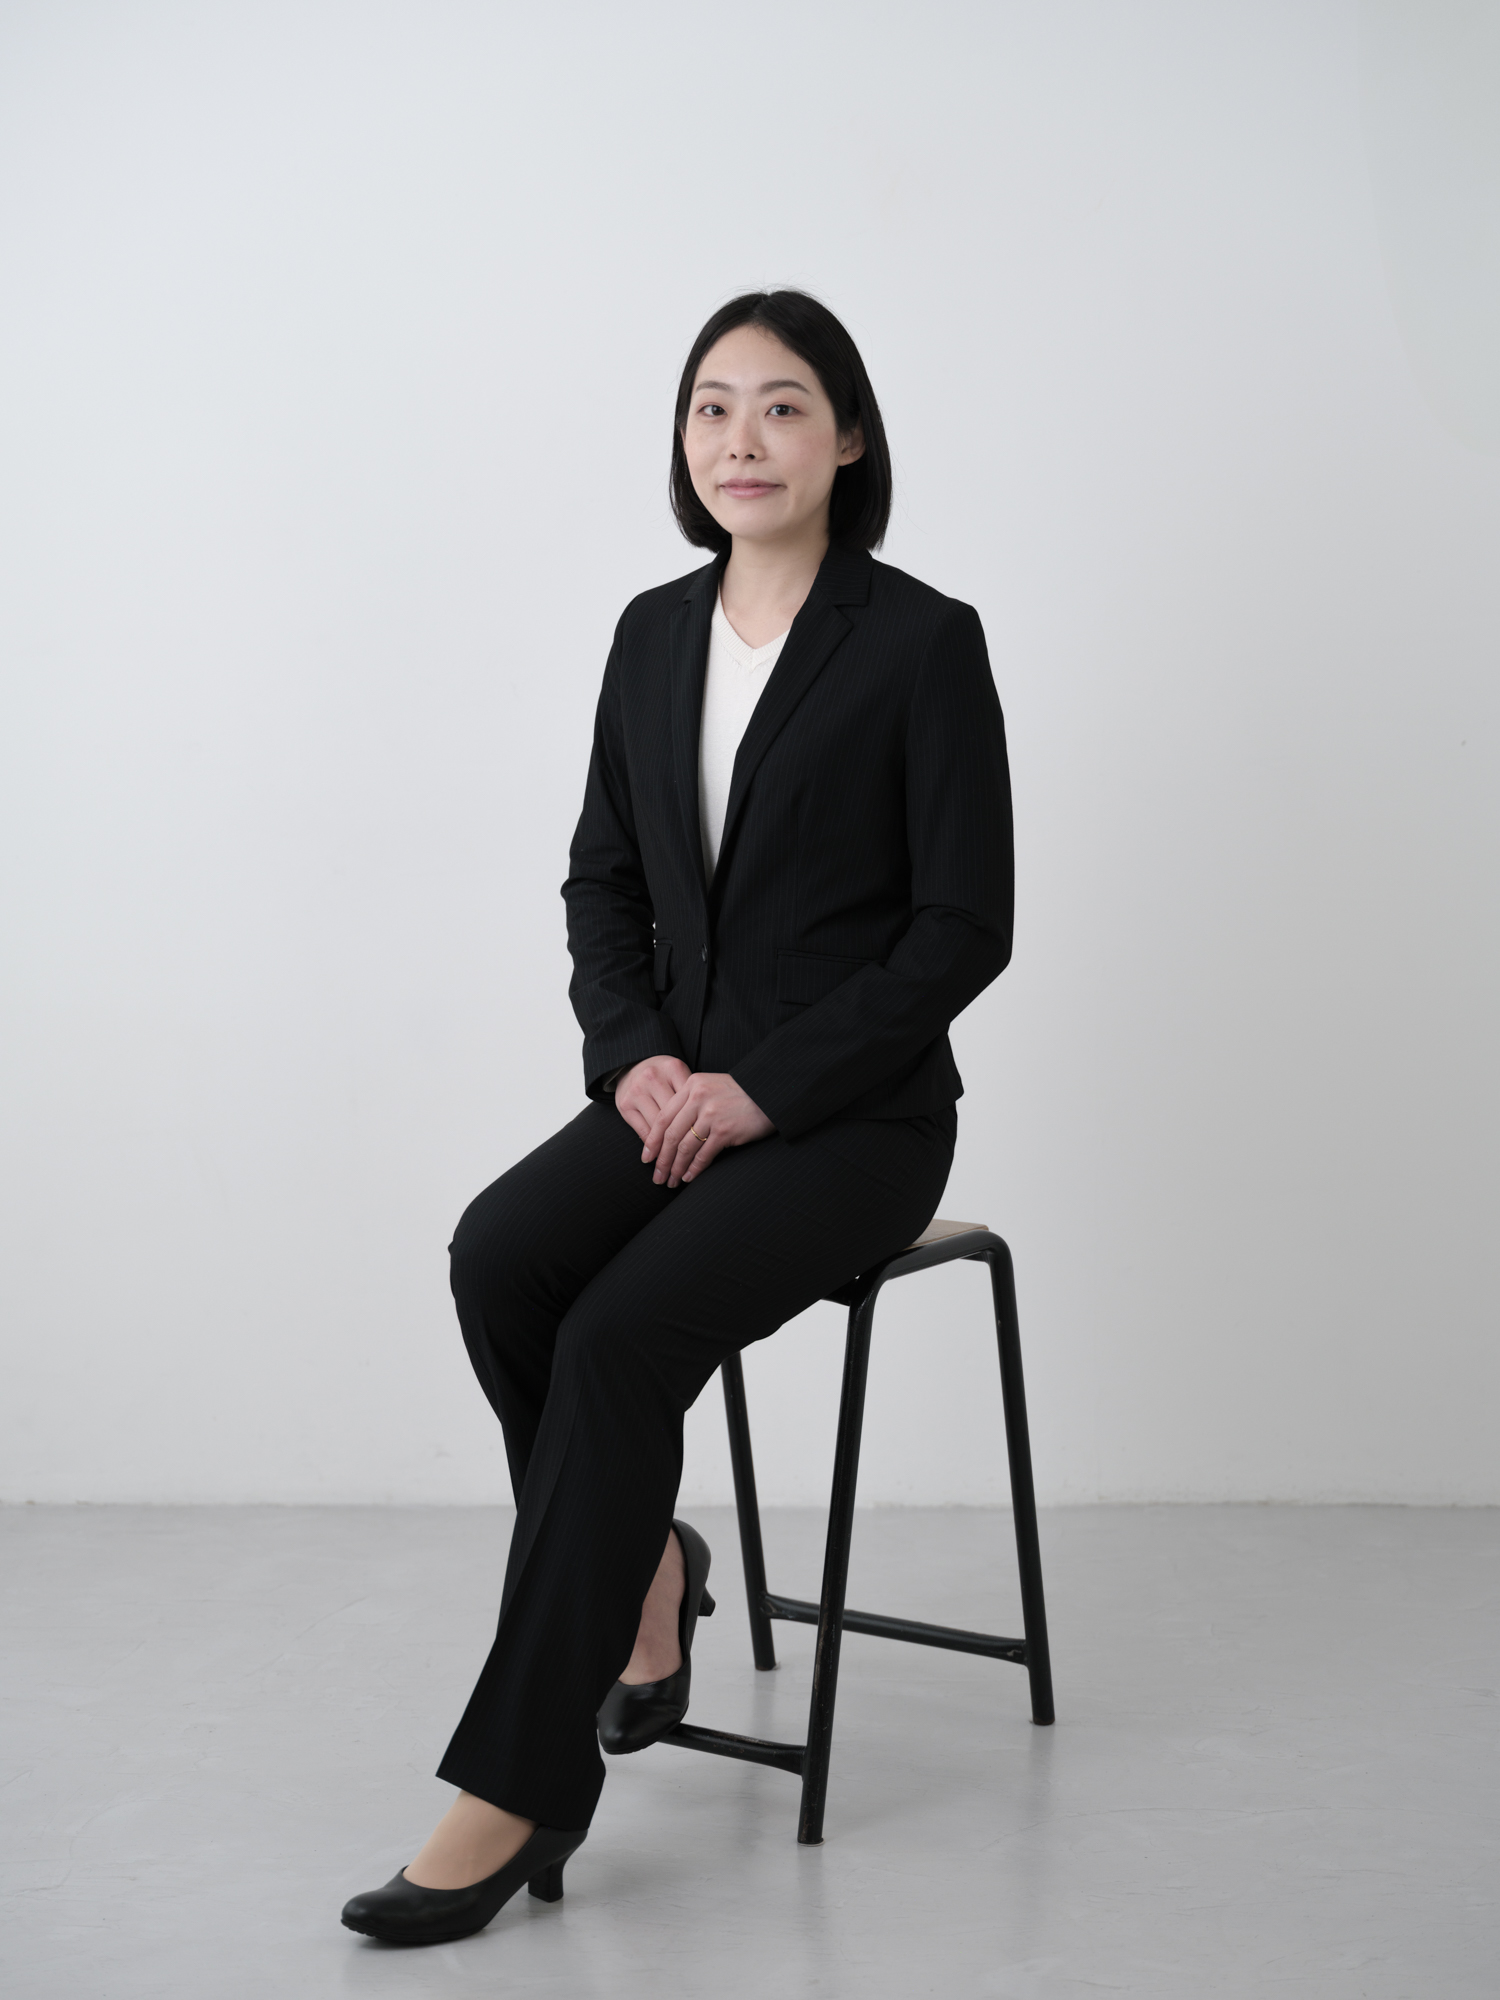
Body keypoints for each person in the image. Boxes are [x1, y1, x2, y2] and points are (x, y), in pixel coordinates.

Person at [341, 289, 1014, 1945]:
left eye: (782, 406)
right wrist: (631, 1054)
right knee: (501, 1260)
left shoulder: (921, 641)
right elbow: (604, 882)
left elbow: (963, 927)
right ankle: (648, 1572)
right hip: (677, 1089)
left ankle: (516, 1785)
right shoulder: (652, 633)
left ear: (848, 438)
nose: (742, 438)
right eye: (713, 406)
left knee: (617, 1339)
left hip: (853, 1122)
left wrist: (766, 1088)